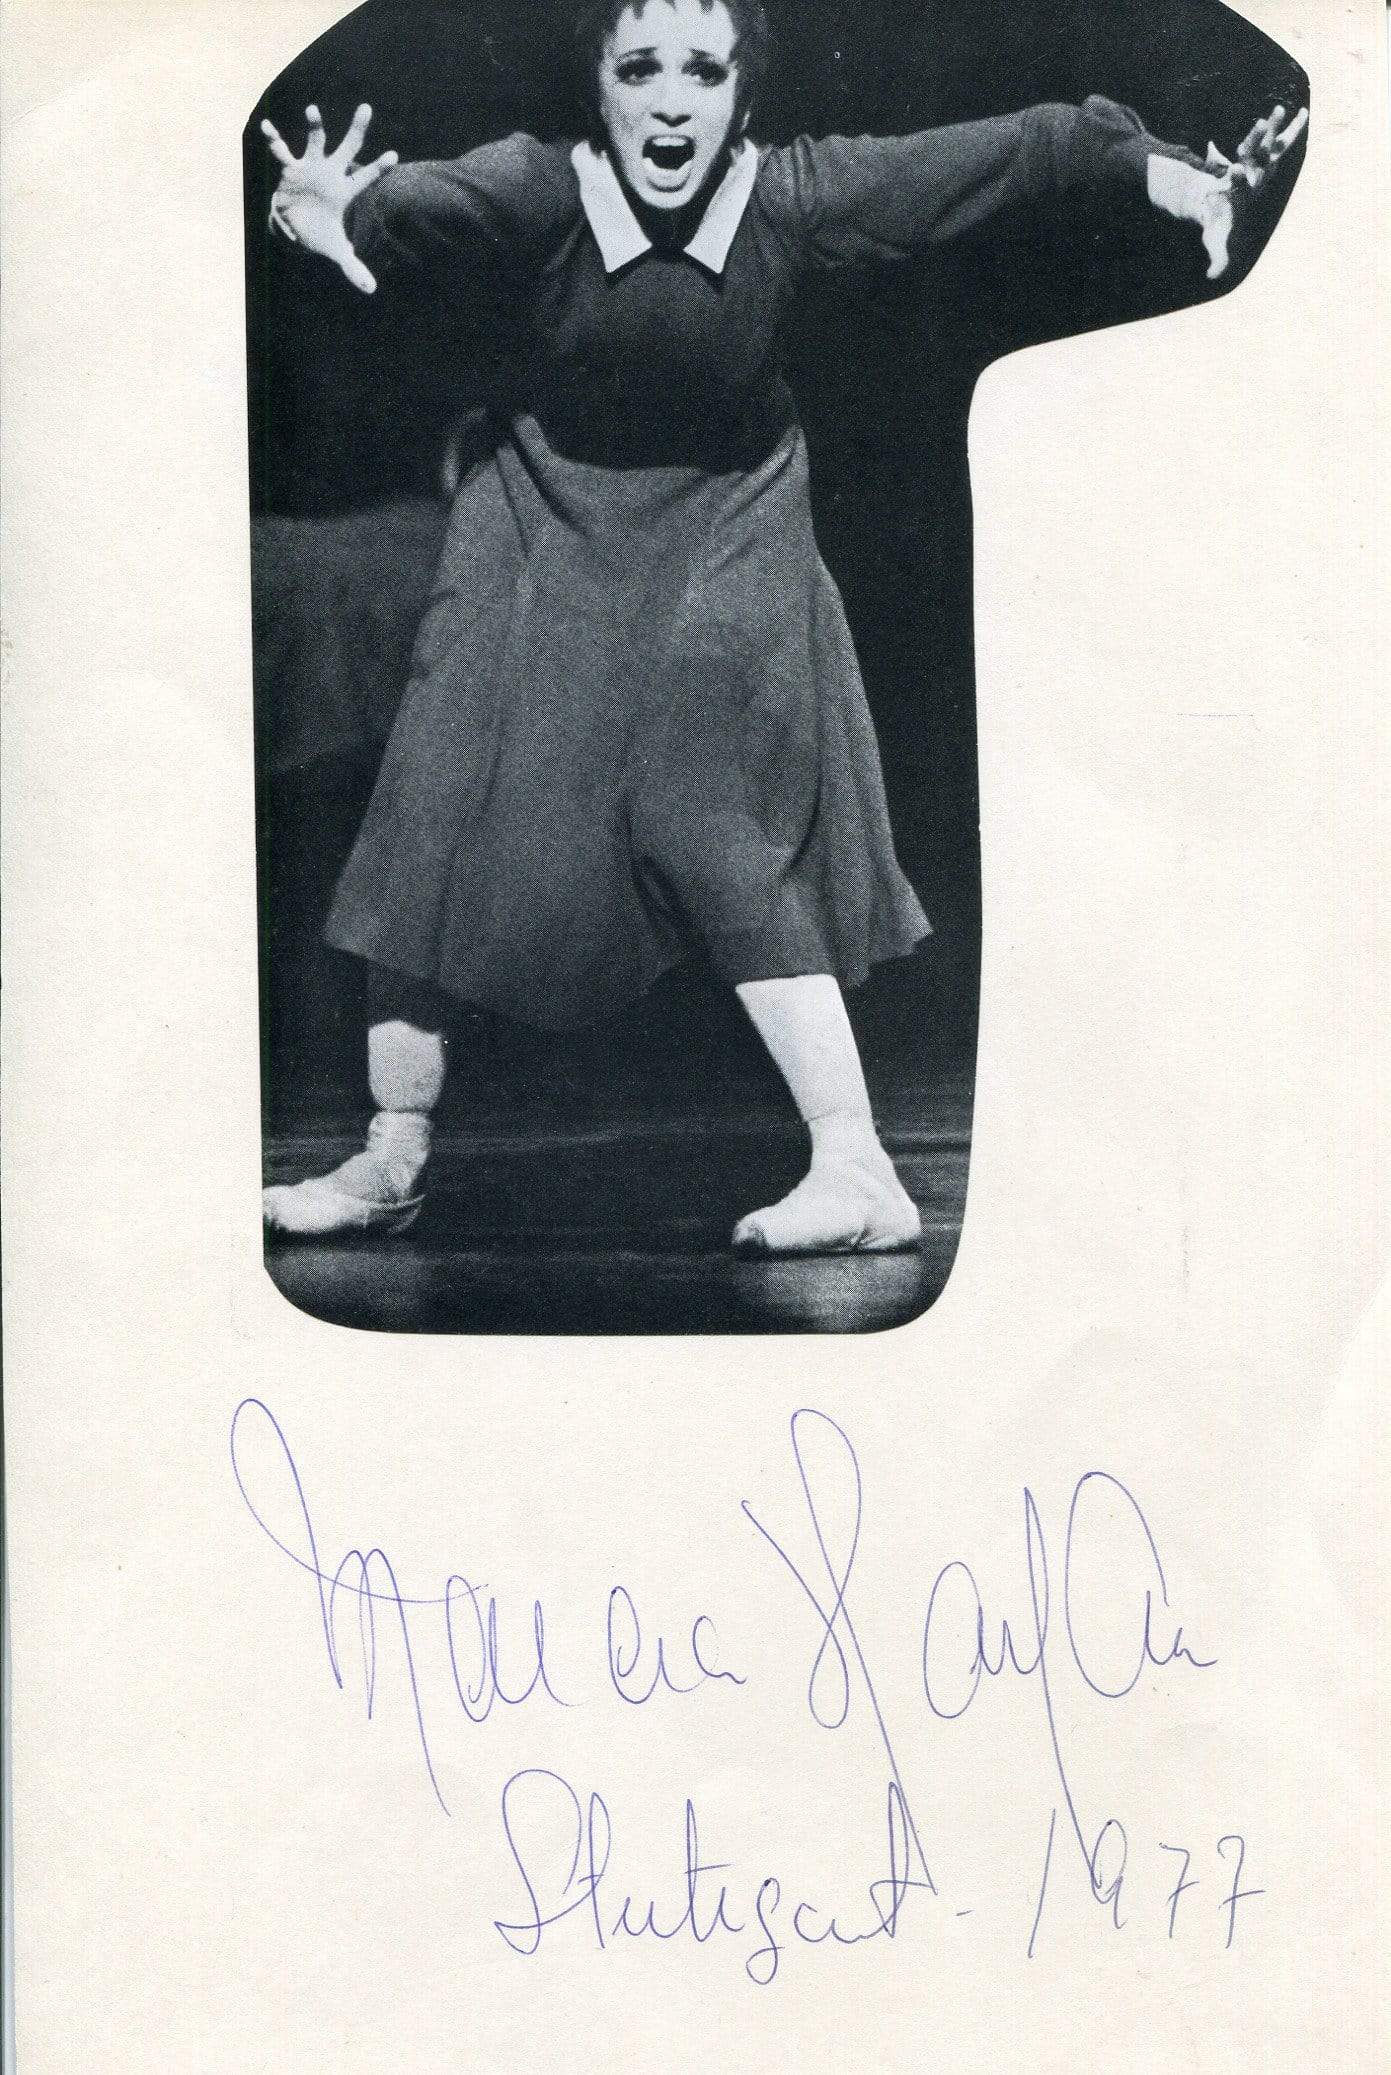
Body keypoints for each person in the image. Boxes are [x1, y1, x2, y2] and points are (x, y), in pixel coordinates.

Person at [259, 0, 1306, 1256]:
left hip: (728, 515)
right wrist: (323, 215)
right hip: (539, 515)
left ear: (742, 94)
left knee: (702, 806)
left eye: (703, 70)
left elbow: (1021, 148)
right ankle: (391, 1158)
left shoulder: (793, 195)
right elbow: (394, 208)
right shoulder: (538, 187)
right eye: (640, 68)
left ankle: (857, 1168)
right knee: (438, 794)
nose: (670, 101)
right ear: (599, 86)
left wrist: (1169, 174)